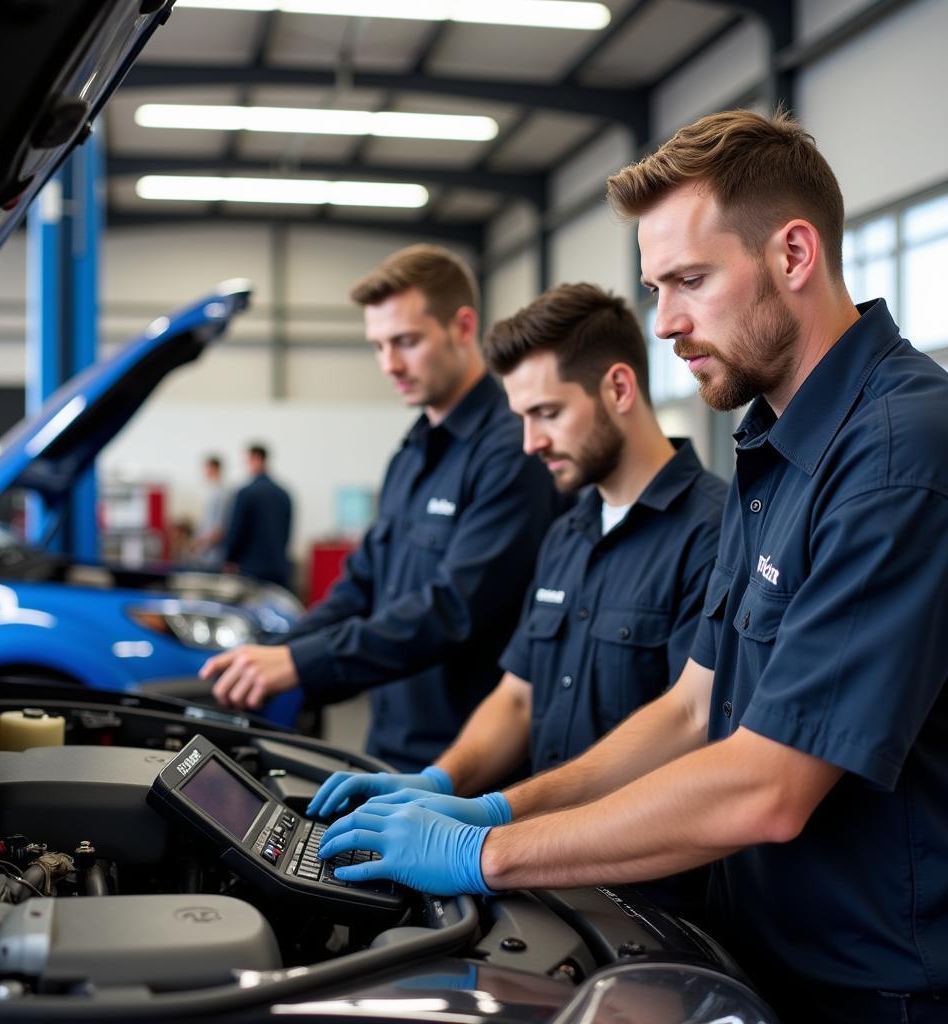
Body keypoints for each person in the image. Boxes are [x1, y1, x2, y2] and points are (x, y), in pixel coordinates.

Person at [316, 110, 948, 1024]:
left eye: (690, 281)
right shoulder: (770, 453)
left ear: (795, 254)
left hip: (874, 990)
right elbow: (692, 711)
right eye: (656, 289)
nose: (665, 324)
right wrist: (489, 807)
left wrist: (486, 857)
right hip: (754, 957)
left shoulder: (898, 456)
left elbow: (770, 786)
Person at [307, 282, 726, 915]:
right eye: (521, 417)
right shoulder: (566, 532)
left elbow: (687, 733)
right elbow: (518, 694)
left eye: (547, 414)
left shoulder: (715, 534)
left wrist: (498, 815)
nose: (529, 442)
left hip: (651, 901)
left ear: (618, 389)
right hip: (545, 883)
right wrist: (440, 781)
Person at [201, 244, 560, 772]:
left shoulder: (511, 451)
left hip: (470, 761)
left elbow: (453, 609)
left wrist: (301, 664)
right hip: (389, 745)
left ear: (462, 327)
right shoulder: (411, 453)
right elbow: (360, 586)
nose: (389, 364)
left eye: (406, 342)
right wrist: (274, 653)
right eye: (377, 346)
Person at [222, 443, 293, 588]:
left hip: (251, 570)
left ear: (256, 459)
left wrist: (229, 558)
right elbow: (287, 533)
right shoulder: (284, 494)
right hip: (278, 568)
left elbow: (236, 530)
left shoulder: (246, 493)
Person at [191, 453, 229, 568]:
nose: (205, 472)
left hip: (213, 554)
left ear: (213, 468)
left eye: (207, 468)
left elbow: (219, 529)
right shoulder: (213, 493)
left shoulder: (220, 494)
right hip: (207, 552)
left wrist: (200, 544)